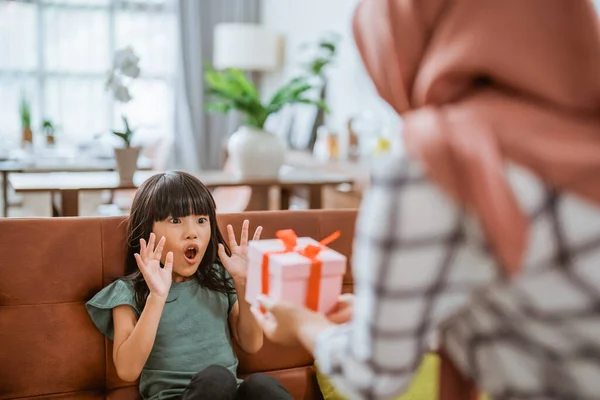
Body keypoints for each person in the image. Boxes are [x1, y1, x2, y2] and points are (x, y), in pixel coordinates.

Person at [250, 1, 600, 399]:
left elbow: (373, 377)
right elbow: (538, 304)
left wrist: (302, 323)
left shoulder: (436, 161)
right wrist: (379, 317)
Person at [86, 171, 293, 400]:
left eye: (202, 220)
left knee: (261, 386)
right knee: (217, 378)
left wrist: (243, 282)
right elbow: (127, 370)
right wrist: (157, 295)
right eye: (176, 221)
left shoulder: (218, 278)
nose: (192, 233)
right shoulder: (129, 292)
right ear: (148, 229)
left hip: (228, 393)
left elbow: (252, 343)